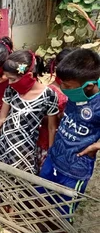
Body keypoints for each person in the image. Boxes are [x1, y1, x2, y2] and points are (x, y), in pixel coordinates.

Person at [40, 48, 100, 222]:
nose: (62, 88)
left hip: (75, 171)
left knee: (62, 215)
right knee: (41, 201)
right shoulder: (76, 93)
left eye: (67, 86)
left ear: (88, 86)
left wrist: (96, 145)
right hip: (53, 159)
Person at [0, 50, 59, 174]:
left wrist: (50, 153)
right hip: (4, 143)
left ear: (28, 75)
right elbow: (2, 117)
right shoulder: (11, 90)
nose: (10, 83)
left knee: (19, 182)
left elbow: (52, 127)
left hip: (24, 149)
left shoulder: (48, 95)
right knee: (0, 178)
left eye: (13, 79)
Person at [36, 48, 73, 172]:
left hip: (66, 141)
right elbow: (39, 116)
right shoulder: (50, 91)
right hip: (47, 139)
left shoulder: (77, 89)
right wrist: (57, 116)